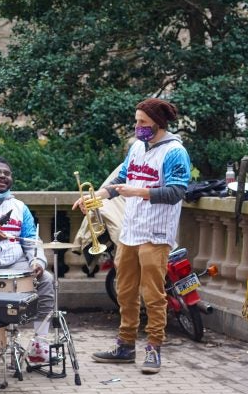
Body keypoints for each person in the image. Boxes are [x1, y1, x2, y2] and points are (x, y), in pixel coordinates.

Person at [73, 98, 191, 375]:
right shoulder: (137, 147)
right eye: (137, 121)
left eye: (143, 123)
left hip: (156, 232)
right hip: (131, 230)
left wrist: (138, 191)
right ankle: (125, 345)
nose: (137, 127)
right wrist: (96, 196)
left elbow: (176, 193)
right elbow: (122, 179)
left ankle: (153, 348)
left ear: (158, 124)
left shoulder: (175, 152)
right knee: (125, 291)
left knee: (153, 294)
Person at [0, 156, 56, 365]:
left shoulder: (19, 207)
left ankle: (39, 344)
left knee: (46, 280)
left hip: (14, 265)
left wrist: (37, 262)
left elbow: (31, 240)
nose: (2, 176)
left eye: (6, 173)